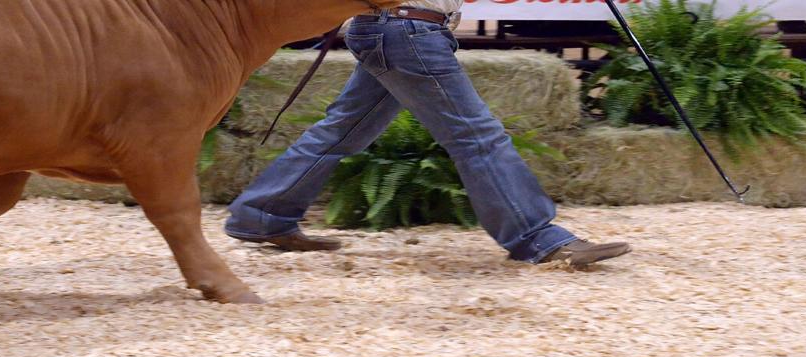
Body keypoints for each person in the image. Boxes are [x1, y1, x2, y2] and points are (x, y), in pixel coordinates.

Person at [225, 2, 632, 269]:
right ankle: (538, 237)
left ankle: (261, 214)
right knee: (478, 136)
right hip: (408, 31)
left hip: (391, 28)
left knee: (341, 131)